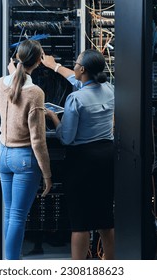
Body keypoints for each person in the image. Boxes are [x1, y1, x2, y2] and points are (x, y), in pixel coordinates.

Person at [41, 49, 115, 260]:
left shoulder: (75, 99)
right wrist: (54, 66)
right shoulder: (110, 89)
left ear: (82, 69)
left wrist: (54, 117)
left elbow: (67, 138)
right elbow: (77, 80)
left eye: (76, 64)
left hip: (82, 162)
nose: (73, 66)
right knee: (105, 219)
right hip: (106, 159)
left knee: (80, 222)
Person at [0, 39, 52, 260]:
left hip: (4, 155)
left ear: (17, 57)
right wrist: (47, 174)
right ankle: (11, 265)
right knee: (18, 216)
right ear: (39, 61)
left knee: (9, 214)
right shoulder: (35, 92)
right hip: (25, 159)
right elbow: (38, 140)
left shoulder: (1, 82)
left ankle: (9, 260)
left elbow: (0, 108)